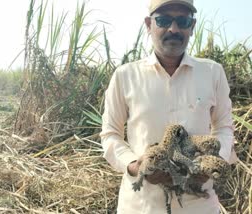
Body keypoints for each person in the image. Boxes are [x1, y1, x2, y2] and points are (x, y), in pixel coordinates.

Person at [100, 0, 237, 213]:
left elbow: (224, 129)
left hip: (199, 204)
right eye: (163, 20)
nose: (173, 29)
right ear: (148, 24)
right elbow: (110, 135)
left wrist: (212, 162)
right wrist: (136, 165)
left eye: (182, 21)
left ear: (192, 27)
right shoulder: (125, 76)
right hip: (141, 205)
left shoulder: (212, 73)